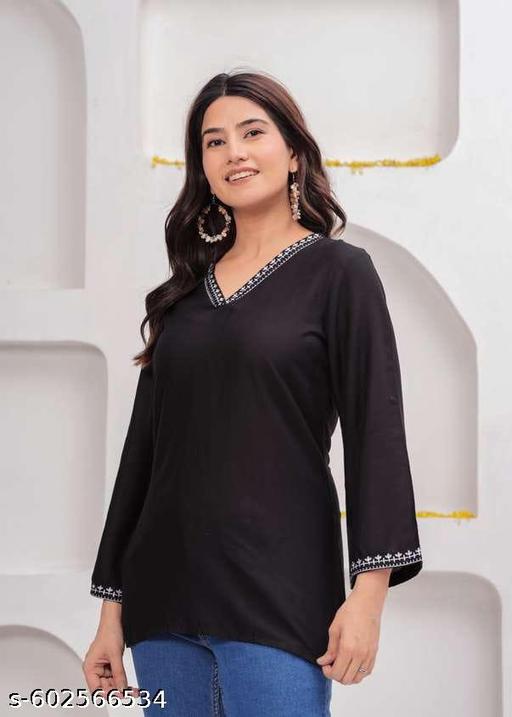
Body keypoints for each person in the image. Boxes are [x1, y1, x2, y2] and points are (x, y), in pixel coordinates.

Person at [82, 69, 423, 716]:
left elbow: (376, 433)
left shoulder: (340, 274)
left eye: (252, 132)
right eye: (214, 142)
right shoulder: (184, 295)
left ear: (293, 152)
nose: (233, 152)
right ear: (203, 168)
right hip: (163, 603)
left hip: (278, 594)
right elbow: (144, 455)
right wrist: (111, 610)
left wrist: (368, 596)